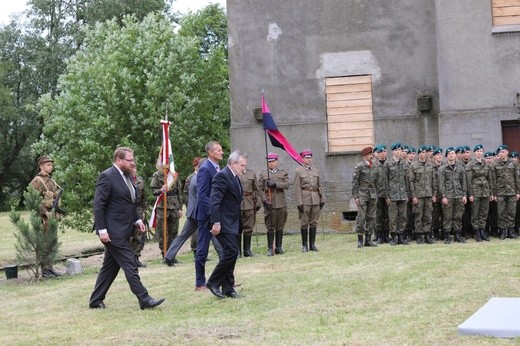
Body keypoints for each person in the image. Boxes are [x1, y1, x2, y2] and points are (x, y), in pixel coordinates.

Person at [89, 147, 164, 310]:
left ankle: (95, 300)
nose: (133, 163)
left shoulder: (127, 177)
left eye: (133, 160)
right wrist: (102, 230)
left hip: (124, 229)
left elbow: (129, 203)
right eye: (130, 160)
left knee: (110, 267)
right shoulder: (107, 176)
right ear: (119, 160)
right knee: (130, 263)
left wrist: (137, 219)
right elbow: (98, 206)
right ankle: (144, 299)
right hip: (112, 231)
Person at [163, 158, 223, 266]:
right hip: (200, 213)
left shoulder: (194, 178)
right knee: (214, 233)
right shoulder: (200, 179)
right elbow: (203, 197)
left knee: (183, 235)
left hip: (192, 213)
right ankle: (223, 256)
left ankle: (169, 256)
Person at [206, 150, 247, 299]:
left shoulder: (235, 177)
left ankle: (228, 288)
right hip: (223, 223)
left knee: (232, 253)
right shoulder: (222, 176)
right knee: (231, 252)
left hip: (234, 223)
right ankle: (213, 282)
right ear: (233, 163)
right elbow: (214, 201)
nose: (244, 168)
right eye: (242, 165)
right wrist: (216, 222)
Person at [194, 141, 224, 291]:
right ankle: (200, 283)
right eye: (218, 150)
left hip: (217, 214)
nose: (222, 152)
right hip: (207, 216)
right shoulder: (205, 169)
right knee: (202, 250)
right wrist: (213, 215)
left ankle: (226, 280)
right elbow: (203, 195)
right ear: (210, 153)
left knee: (226, 248)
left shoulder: (217, 168)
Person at [30, 155, 64, 278]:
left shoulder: (51, 180)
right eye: (48, 165)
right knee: (44, 243)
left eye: (51, 164)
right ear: (41, 166)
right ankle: (44, 270)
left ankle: (50, 268)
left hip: (52, 217)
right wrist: (44, 212)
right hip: (43, 218)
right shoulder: (37, 181)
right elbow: (34, 200)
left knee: (52, 242)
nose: (51, 167)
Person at [294, 149, 325, 252]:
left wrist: (322, 198)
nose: (309, 160)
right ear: (302, 159)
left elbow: (320, 185)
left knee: (314, 222)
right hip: (305, 199)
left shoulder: (315, 170)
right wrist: (299, 202)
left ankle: (312, 244)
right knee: (304, 222)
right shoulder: (298, 171)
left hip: (315, 198)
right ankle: (304, 245)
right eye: (307, 158)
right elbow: (297, 188)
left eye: (310, 157)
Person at [258, 153, 289, 256]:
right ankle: (270, 248)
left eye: (273, 161)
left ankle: (279, 247)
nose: (271, 163)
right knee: (270, 226)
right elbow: (260, 188)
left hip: (281, 202)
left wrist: (276, 184)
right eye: (269, 161)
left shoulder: (283, 173)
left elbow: (286, 184)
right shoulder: (263, 174)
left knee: (280, 226)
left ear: (277, 161)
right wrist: (264, 201)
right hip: (269, 202)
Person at [150, 168, 183, 259]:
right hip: (162, 206)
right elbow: (153, 191)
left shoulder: (174, 174)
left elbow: (179, 192)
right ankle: (164, 253)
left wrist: (180, 208)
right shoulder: (157, 175)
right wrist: (161, 189)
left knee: (174, 232)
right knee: (162, 232)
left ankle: (172, 255)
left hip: (174, 207)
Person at [438, 147, 467, 244]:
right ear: (446, 156)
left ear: (455, 155)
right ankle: (447, 236)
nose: (451, 155)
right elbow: (441, 183)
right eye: (449, 153)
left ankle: (457, 235)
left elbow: (463, 182)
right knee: (447, 217)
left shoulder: (460, 168)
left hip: (458, 195)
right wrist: (443, 196)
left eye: (453, 153)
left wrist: (464, 195)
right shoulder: (442, 168)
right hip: (448, 196)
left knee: (458, 216)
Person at [383, 142, 410, 245]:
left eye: (400, 150)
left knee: (402, 216)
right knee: (393, 216)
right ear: (393, 151)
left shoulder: (404, 163)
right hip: (392, 195)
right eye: (396, 150)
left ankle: (401, 236)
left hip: (402, 194)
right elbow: (385, 181)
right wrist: (387, 196)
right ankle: (394, 236)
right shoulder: (388, 163)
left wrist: (407, 194)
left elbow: (407, 180)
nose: (398, 152)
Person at [351, 146, 378, 248]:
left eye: (372, 154)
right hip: (362, 194)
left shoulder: (374, 166)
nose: (371, 156)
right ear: (365, 156)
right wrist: (356, 196)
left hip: (372, 194)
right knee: (361, 217)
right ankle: (360, 239)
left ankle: (368, 239)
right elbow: (354, 183)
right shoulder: (360, 166)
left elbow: (377, 181)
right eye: (370, 155)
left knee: (371, 217)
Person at [409, 145, 436, 244]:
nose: (422, 154)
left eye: (424, 152)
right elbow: (411, 181)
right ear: (418, 154)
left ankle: (427, 234)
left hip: (428, 194)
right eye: (420, 152)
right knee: (418, 215)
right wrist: (414, 196)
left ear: (426, 153)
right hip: (419, 195)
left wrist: (434, 194)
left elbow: (434, 180)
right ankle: (419, 235)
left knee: (428, 215)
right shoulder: (414, 166)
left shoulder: (430, 165)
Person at [465, 144, 493, 242]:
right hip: (475, 192)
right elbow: (468, 181)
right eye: (477, 151)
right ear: (474, 153)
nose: (479, 153)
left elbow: (490, 179)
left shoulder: (486, 164)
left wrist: (491, 193)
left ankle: (482, 230)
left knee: (484, 213)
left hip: (485, 192)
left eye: (481, 151)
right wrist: (470, 194)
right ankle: (476, 231)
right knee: (475, 213)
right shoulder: (470, 164)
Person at [492, 144, 520, 239]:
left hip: (512, 191)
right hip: (500, 192)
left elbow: (516, 178)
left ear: (507, 152)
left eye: (503, 152)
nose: (501, 154)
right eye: (500, 152)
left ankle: (511, 231)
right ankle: (503, 231)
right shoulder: (495, 164)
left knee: (511, 212)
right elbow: (493, 180)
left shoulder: (513, 163)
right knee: (501, 212)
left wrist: (518, 192)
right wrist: (494, 193)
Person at [183, 157, 203, 257]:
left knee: (202, 232)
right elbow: (186, 194)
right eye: (197, 165)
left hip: (201, 209)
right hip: (194, 209)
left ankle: (202, 251)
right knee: (194, 233)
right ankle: (196, 250)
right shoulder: (190, 178)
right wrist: (188, 206)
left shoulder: (203, 175)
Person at [239, 167, 261, 257]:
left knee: (249, 227)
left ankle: (246, 250)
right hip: (238, 203)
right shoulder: (234, 172)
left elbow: (256, 188)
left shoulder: (251, 173)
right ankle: (237, 251)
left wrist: (258, 202)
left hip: (250, 203)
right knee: (237, 228)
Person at [130, 167, 147, 267]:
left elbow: (144, 198)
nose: (133, 169)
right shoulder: (126, 180)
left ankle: (136, 257)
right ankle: (128, 259)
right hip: (128, 210)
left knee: (139, 236)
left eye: (134, 168)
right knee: (129, 236)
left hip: (139, 210)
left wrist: (144, 211)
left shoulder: (140, 181)